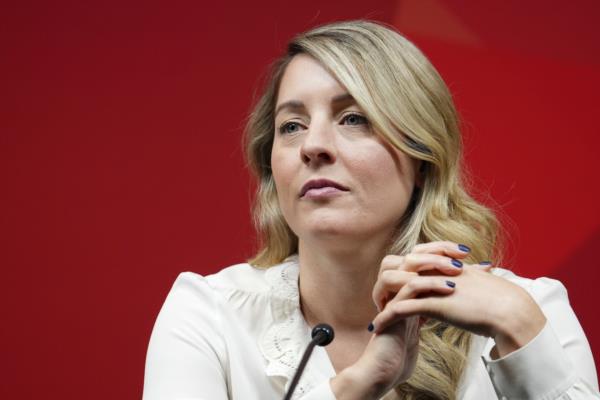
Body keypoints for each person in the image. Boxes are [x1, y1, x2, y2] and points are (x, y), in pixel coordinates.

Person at [142, 20, 599, 400]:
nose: (313, 146)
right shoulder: (210, 314)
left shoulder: (528, 309)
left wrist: (519, 330)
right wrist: (358, 386)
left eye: (354, 118)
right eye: (292, 126)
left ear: (422, 159)